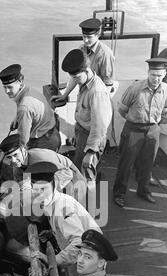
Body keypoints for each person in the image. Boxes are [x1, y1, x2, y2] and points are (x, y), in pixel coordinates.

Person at [113, 58, 167, 208]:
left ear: (164, 74)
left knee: (148, 163)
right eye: (153, 75)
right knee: (126, 163)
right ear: (148, 73)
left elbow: (166, 110)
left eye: (159, 75)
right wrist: (134, 122)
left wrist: (155, 122)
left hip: (153, 130)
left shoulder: (165, 89)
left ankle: (143, 190)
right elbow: (122, 109)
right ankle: (119, 193)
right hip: (133, 129)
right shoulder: (135, 88)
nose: (156, 79)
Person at [59, 49, 112, 209]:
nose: (74, 80)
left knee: (85, 175)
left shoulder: (97, 92)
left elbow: (99, 127)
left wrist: (90, 152)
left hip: (92, 138)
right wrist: (64, 94)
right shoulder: (84, 80)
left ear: (87, 70)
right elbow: (75, 80)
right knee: (80, 170)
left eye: (76, 76)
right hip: (83, 132)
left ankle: (86, 209)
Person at [0, 133, 87, 205]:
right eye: (9, 157)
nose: (13, 160)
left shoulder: (39, 157)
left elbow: (67, 173)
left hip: (73, 180)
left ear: (23, 150)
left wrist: (43, 191)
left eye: (15, 155)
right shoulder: (17, 168)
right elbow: (25, 190)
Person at [0, 64, 61, 151]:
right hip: (52, 133)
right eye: (4, 87)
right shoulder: (29, 90)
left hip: (44, 143)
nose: (7, 91)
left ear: (20, 82)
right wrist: (17, 118)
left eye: (9, 87)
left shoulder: (24, 107)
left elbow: (23, 140)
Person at [51, 18, 115, 105]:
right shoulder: (81, 49)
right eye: (84, 36)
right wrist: (65, 95)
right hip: (83, 96)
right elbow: (76, 77)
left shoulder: (105, 54)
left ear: (98, 35)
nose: (85, 40)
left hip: (97, 99)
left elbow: (108, 84)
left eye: (89, 37)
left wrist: (98, 104)